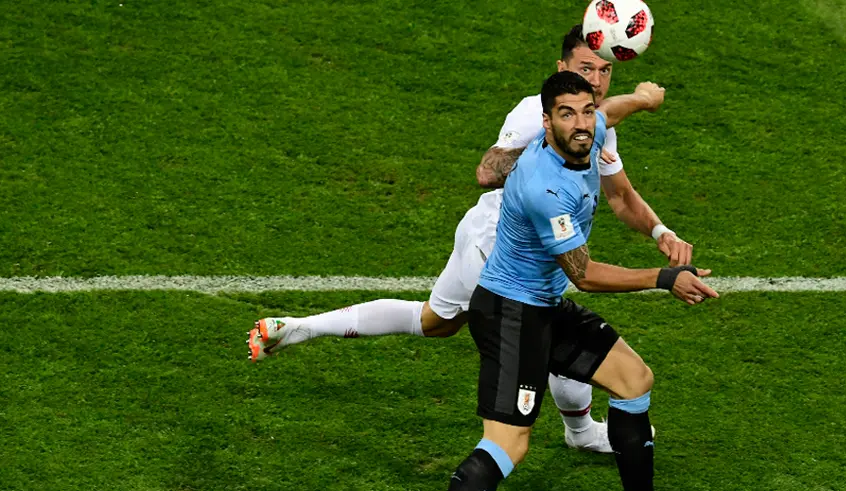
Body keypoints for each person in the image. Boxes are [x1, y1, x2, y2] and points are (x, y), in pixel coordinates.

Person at [248, 25, 691, 453]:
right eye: (583, 69)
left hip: (479, 234)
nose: (593, 82)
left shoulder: (589, 121)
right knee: (557, 330)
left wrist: (660, 231)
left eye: (603, 71)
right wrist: (611, 113)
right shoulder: (535, 113)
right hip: (503, 251)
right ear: (561, 68)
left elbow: (621, 195)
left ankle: (301, 328)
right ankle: (579, 432)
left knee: (434, 323)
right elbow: (487, 170)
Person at [394, 71, 719, 491]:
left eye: (586, 111)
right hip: (508, 315)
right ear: (545, 123)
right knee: (508, 445)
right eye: (566, 114)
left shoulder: (594, 131)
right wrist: (663, 278)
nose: (581, 123)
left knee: (634, 381)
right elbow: (584, 275)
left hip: (543, 305)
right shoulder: (544, 186)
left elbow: (612, 112)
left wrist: (640, 99)